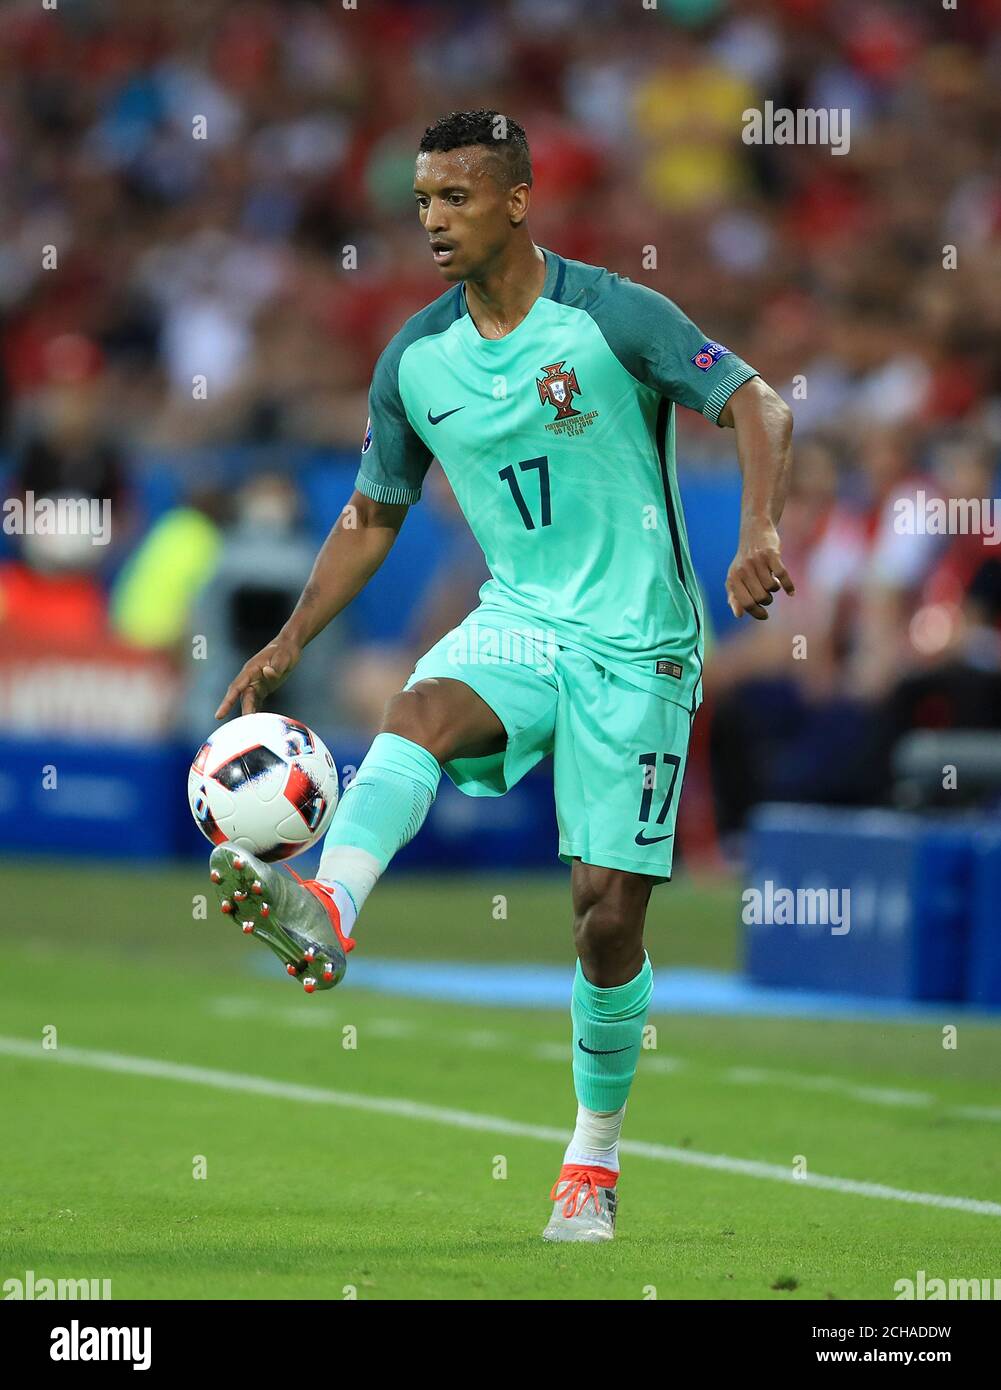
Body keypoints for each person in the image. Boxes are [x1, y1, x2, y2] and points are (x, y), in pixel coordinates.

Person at [208, 110, 795, 1243]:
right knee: (417, 709)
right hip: (519, 621)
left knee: (603, 922)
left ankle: (590, 1161)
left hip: (638, 644)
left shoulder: (610, 315)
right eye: (422, 199)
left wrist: (755, 529)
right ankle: (329, 904)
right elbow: (372, 514)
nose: (432, 218)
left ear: (516, 201)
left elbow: (757, 404)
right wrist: (290, 639)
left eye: (456, 197)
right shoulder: (414, 360)